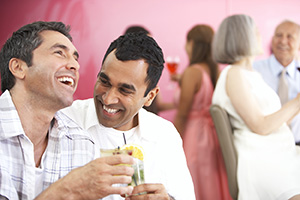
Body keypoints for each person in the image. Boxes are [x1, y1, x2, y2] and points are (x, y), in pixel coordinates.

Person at [0, 21, 136, 200]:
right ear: (19, 67)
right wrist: (65, 191)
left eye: (75, 58)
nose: (75, 65)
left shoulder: (82, 144)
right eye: (59, 53)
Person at [62, 32, 196, 200]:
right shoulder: (64, 122)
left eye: (125, 91)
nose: (108, 99)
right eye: (104, 81)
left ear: (150, 97)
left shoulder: (164, 134)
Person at [212, 14, 300, 200]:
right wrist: (297, 101)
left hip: (278, 153)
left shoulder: (249, 74)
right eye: (257, 32)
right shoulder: (234, 74)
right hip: (264, 159)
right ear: (244, 37)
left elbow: (273, 120)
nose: (261, 37)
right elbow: (260, 125)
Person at [171, 24, 231, 200]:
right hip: (212, 137)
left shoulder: (192, 72)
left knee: (193, 182)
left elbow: (182, 114)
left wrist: (171, 142)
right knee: (210, 180)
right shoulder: (214, 71)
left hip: (193, 136)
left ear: (192, 44)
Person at [253, 20, 300, 144]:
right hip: (265, 143)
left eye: (290, 37)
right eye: (279, 36)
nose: (283, 41)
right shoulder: (254, 71)